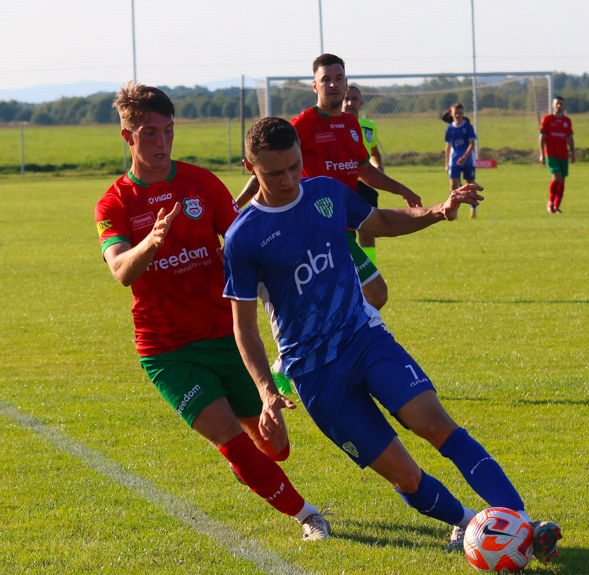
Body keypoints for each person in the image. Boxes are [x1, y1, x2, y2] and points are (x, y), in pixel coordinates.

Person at [223, 116, 563, 564]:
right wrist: (267, 391)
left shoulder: (326, 193)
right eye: (274, 172)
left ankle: (521, 523)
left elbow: (380, 219)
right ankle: (466, 523)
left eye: (294, 166)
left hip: (364, 339)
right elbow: (244, 326)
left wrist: (437, 212)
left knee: (437, 425)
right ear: (251, 168)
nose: (288, 180)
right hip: (315, 375)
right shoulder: (243, 237)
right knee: (404, 475)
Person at [94, 82, 330, 541]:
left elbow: (245, 244)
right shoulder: (115, 203)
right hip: (167, 349)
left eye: (167, 132)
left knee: (275, 447)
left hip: (226, 334)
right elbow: (122, 269)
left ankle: (263, 444)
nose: (160, 143)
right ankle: (309, 517)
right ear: (128, 137)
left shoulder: (202, 184)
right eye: (149, 134)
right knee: (233, 442)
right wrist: (153, 242)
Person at [236, 54, 420, 311]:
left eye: (338, 78)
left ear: (346, 84)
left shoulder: (351, 124)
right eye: (326, 79)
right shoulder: (301, 126)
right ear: (315, 85)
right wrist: (237, 206)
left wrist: (401, 189)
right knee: (376, 294)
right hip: (315, 226)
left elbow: (365, 171)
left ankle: (337, 339)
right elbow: (266, 171)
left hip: (346, 221)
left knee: (339, 298)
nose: (333, 84)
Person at [342, 84, 382, 266]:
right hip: (342, 187)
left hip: (364, 187)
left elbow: (373, 152)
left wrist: (378, 168)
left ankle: (369, 275)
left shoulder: (369, 127)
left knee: (367, 235)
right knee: (341, 235)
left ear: (361, 102)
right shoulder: (334, 125)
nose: (350, 102)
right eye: (346, 98)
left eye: (354, 99)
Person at [539, 96, 576, 214]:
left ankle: (557, 206)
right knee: (557, 178)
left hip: (563, 155)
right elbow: (542, 137)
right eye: (557, 104)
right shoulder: (547, 119)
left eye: (561, 104)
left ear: (564, 106)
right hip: (551, 154)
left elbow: (570, 138)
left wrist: (573, 153)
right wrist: (541, 154)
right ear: (552, 105)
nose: (559, 106)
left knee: (562, 181)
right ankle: (550, 204)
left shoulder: (567, 121)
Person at [444, 103, 478, 218]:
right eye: (456, 113)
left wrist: (465, 157)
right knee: (454, 186)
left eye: (460, 113)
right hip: (454, 161)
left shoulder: (468, 127)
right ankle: (454, 211)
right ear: (452, 114)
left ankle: (473, 209)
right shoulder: (449, 128)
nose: (458, 115)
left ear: (463, 113)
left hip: (468, 160)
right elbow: (448, 146)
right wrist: (446, 163)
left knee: (470, 185)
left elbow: (472, 144)